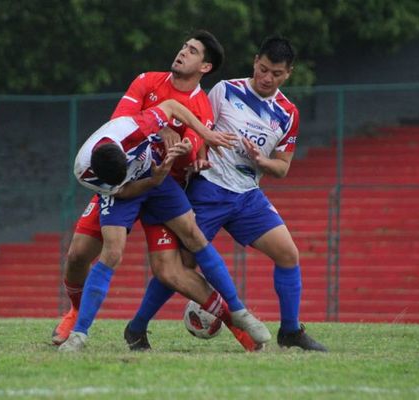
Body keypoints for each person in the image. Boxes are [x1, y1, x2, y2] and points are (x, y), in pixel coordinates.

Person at [53, 30, 261, 352]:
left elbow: (192, 149)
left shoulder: (202, 106)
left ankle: (239, 323)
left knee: (171, 270)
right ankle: (76, 316)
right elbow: (120, 122)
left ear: (204, 67)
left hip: (164, 183)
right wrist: (160, 128)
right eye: (183, 47)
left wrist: (187, 150)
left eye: (191, 50)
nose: (181, 53)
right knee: (79, 254)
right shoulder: (147, 82)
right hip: (124, 179)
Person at [125, 35, 328, 352]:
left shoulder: (288, 113)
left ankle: (290, 331)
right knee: (182, 264)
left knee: (288, 254)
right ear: (255, 61)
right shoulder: (225, 90)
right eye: (262, 69)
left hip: (248, 197)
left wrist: (263, 161)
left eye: (275, 73)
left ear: (288, 73)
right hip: (209, 189)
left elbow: (283, 167)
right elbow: (200, 127)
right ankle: (137, 328)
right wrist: (201, 152)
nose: (266, 77)